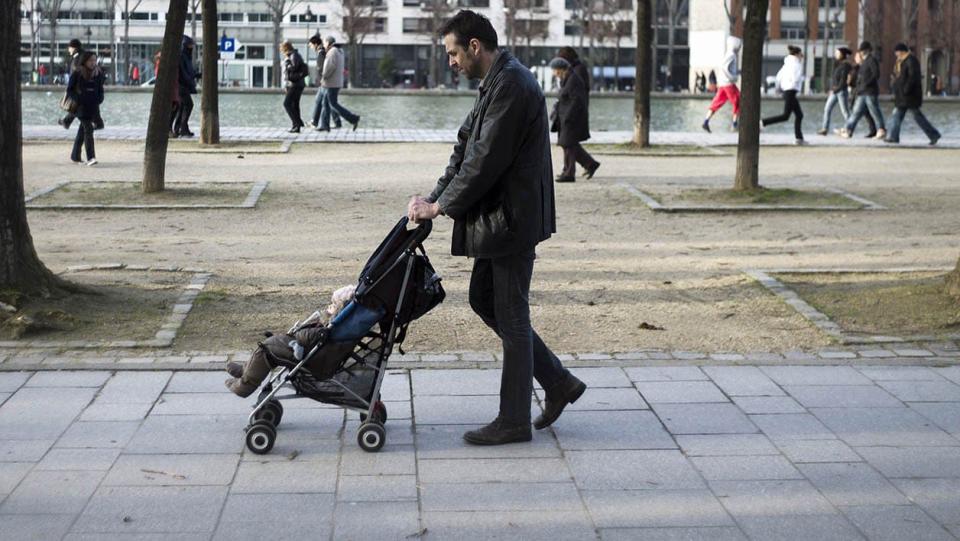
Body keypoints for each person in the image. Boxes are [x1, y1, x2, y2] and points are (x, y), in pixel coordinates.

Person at [406, 10, 585, 446]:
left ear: (474, 47)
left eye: (452, 53)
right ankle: (557, 382)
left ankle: (514, 420)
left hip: (512, 221)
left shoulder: (511, 85)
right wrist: (433, 198)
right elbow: (465, 149)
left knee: (510, 313)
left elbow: (484, 160)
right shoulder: (496, 82)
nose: (450, 61)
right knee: (485, 298)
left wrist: (441, 206)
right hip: (502, 218)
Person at [550, 57, 600, 182]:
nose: (553, 73)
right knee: (568, 145)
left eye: (554, 70)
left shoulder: (573, 80)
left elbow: (576, 101)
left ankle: (569, 173)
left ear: (561, 69)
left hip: (571, 119)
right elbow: (564, 98)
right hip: (565, 118)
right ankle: (590, 164)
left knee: (568, 145)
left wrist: (568, 117)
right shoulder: (566, 79)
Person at [885, 43, 941, 145]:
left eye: (897, 52)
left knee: (916, 117)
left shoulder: (911, 61)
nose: (896, 55)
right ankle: (893, 136)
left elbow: (912, 77)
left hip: (909, 95)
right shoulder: (902, 61)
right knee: (897, 115)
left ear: (901, 51)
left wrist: (906, 89)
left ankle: (933, 134)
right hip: (903, 95)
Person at [839, 41, 886, 140]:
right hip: (862, 92)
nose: (861, 52)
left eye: (863, 50)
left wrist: (866, 83)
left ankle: (881, 129)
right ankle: (848, 129)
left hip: (870, 92)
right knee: (856, 112)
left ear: (868, 50)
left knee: (875, 111)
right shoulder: (864, 62)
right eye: (861, 50)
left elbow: (876, 74)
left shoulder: (872, 60)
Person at [761, 45, 806, 145]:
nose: (801, 56)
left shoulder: (786, 64)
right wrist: (796, 82)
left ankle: (799, 138)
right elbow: (797, 78)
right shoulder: (797, 64)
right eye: (800, 54)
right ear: (797, 54)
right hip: (791, 91)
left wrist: (778, 88)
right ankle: (762, 123)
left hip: (786, 91)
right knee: (786, 116)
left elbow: (778, 77)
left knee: (799, 115)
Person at [67, 51, 104, 166]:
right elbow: (70, 90)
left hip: (93, 106)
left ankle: (75, 155)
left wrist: (100, 98)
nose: (93, 63)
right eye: (91, 60)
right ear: (85, 61)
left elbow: (100, 88)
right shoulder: (77, 73)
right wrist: (78, 99)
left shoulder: (98, 73)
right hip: (81, 107)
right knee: (88, 130)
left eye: (94, 60)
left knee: (82, 131)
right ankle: (91, 157)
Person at [318, 36, 361, 132]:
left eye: (324, 43)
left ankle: (353, 118)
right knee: (325, 103)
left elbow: (330, 67)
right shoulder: (339, 51)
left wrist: (323, 77)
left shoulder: (332, 52)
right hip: (335, 82)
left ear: (328, 43)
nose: (323, 45)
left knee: (333, 104)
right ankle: (324, 125)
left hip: (330, 83)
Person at [703, 36, 741, 133]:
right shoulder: (731, 55)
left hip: (723, 84)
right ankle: (735, 124)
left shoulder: (728, 54)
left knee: (716, 102)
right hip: (728, 84)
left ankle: (706, 121)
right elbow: (725, 68)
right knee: (738, 101)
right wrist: (732, 77)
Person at [307, 34, 341, 129]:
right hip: (325, 81)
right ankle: (316, 122)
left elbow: (323, 68)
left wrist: (322, 79)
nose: (310, 47)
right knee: (325, 102)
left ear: (315, 44)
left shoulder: (321, 52)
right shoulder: (322, 51)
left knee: (326, 102)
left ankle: (317, 122)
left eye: (310, 45)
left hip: (325, 82)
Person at [817, 47, 852, 135]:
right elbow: (836, 79)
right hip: (835, 91)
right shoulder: (838, 64)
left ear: (842, 55)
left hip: (841, 92)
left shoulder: (846, 66)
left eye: (837, 53)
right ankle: (825, 128)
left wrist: (835, 90)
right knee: (827, 109)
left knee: (845, 112)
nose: (836, 54)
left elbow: (843, 81)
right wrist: (832, 89)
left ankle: (850, 128)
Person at [843, 50, 877, 138]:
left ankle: (848, 129)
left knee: (858, 112)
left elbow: (858, 79)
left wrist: (851, 80)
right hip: (858, 92)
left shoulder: (862, 67)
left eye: (857, 57)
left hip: (862, 92)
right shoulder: (856, 67)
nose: (855, 58)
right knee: (863, 113)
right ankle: (873, 130)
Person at [172, 36, 198, 137]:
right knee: (188, 105)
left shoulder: (187, 57)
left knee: (183, 107)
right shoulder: (182, 56)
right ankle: (182, 128)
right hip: (181, 85)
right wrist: (190, 80)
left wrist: (196, 74)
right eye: (190, 45)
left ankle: (181, 128)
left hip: (185, 85)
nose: (191, 48)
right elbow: (184, 73)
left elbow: (189, 71)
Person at [280, 40, 307, 133]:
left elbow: (294, 68)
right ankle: (296, 126)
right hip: (296, 84)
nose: (282, 52)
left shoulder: (293, 56)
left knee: (286, 104)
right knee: (295, 105)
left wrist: (287, 65)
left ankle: (298, 122)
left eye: (282, 49)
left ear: (285, 48)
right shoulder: (293, 55)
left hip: (295, 84)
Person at [58, 39, 84, 130]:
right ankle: (66, 121)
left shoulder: (77, 59)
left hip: (77, 88)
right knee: (77, 107)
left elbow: (76, 74)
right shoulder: (78, 57)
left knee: (77, 107)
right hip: (78, 88)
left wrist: (71, 87)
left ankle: (96, 122)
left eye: (70, 47)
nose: (68, 49)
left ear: (74, 48)